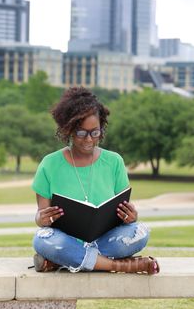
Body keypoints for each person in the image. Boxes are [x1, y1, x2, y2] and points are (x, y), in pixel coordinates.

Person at [32, 87, 159, 274]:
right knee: (43, 239)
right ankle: (116, 265)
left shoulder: (114, 161)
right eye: (81, 133)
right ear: (68, 130)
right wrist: (41, 218)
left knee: (139, 232)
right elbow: (41, 218)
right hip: (65, 239)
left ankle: (62, 261)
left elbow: (124, 213)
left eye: (95, 132)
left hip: (106, 239)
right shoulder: (49, 164)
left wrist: (131, 217)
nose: (89, 139)